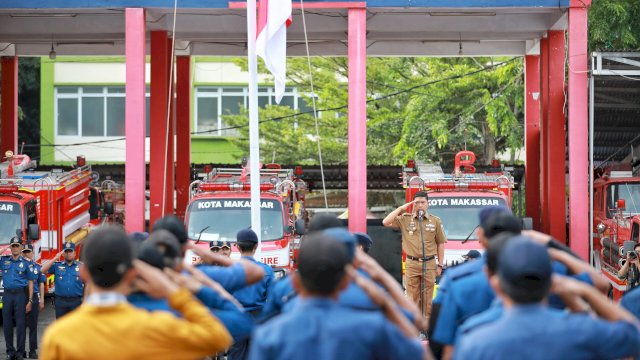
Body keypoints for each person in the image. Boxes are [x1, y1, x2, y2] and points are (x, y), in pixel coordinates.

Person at [41, 226, 232, 360]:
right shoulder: (157, 326)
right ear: (132, 273)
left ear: (84, 273)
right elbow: (219, 336)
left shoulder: (59, 336)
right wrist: (176, 293)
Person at [454, 238, 640, 360]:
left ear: (495, 284)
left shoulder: (473, 341)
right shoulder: (581, 331)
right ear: (552, 282)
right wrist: (586, 291)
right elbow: (633, 334)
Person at [248, 233, 426, 360]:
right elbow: (419, 347)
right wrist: (385, 298)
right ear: (345, 282)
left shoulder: (268, 337)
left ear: (295, 283)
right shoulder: (373, 329)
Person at [129, 229, 254, 343]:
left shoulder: (118, 310)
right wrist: (204, 286)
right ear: (180, 256)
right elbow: (242, 323)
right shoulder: (180, 308)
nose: (221, 252)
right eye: (214, 250)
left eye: (224, 249)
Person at [382, 190, 447, 320]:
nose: (420, 205)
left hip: (429, 263)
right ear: (413, 204)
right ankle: (415, 326)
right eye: (417, 203)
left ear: (428, 204)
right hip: (411, 263)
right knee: (412, 297)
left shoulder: (435, 221)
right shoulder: (405, 219)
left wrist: (440, 264)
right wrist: (401, 208)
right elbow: (386, 222)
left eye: (423, 202)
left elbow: (440, 243)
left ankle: (427, 327)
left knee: (428, 297)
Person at [228, 229, 275, 360]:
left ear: (237, 247)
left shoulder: (229, 269)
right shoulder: (266, 270)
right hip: (258, 320)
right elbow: (272, 300)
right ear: (256, 246)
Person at [1, 238, 35, 360]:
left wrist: (30, 300)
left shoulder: (26, 263)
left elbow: (31, 282)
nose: (15, 247)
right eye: (13, 245)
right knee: (7, 324)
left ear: (21, 247)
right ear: (10, 247)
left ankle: (20, 352)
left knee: (20, 324)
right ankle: (10, 351)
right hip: (7, 295)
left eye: (17, 245)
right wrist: (3, 250)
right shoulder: (4, 261)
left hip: (20, 295)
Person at [40, 242, 85, 318]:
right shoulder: (57, 265)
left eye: (70, 251)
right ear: (63, 254)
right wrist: (55, 258)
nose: (68, 254)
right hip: (60, 302)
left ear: (74, 253)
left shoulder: (81, 266)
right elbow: (42, 270)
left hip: (76, 301)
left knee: (75, 327)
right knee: (61, 326)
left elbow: (88, 283)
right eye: (66, 252)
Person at [22, 243, 46, 359]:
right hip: (20, 296)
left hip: (34, 297)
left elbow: (41, 283)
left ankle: (32, 350)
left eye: (28, 252)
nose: (26, 254)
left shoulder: (38, 267)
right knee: (20, 325)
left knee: (33, 326)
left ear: (33, 253)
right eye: (24, 252)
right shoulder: (19, 266)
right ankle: (20, 350)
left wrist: (42, 299)